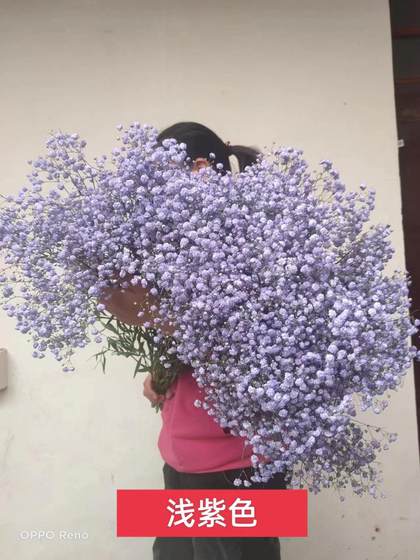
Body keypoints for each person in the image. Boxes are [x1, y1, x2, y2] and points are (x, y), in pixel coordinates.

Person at [100, 122, 288, 560]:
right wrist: (163, 375)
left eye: (157, 177)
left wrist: (155, 317)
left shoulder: (257, 241)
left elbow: (262, 352)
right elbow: (195, 341)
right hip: (183, 455)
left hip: (234, 465)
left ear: (200, 169)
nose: (148, 194)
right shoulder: (180, 243)